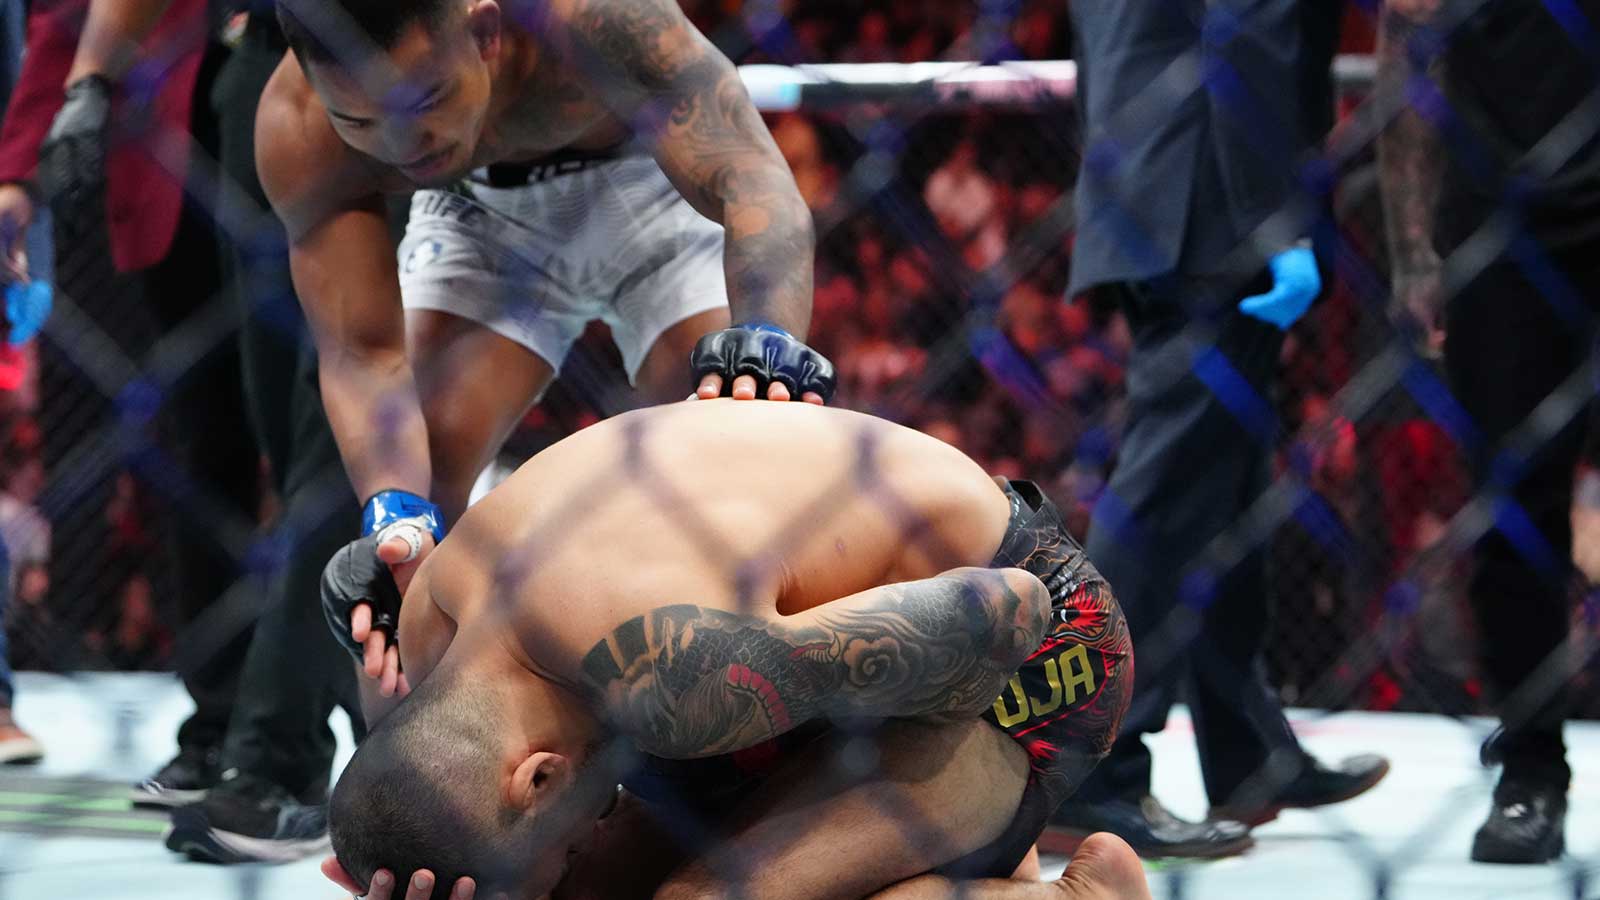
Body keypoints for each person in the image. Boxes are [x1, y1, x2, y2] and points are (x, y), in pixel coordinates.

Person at [318, 398, 1137, 899]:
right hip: (780, 664)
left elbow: (1006, 610)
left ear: (539, 777)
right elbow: (406, 778)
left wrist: (866, 812)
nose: (572, 858)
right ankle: (960, 844)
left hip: (1034, 639)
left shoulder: (680, 673)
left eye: (559, 852)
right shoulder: (429, 628)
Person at [257, 0, 835, 628]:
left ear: (484, 32)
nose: (401, 147)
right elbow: (362, 354)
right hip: (484, 213)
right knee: (418, 511)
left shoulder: (594, 15)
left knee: (734, 438)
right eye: (360, 122)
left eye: (424, 102)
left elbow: (750, 176)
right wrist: (393, 512)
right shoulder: (301, 126)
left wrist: (766, 336)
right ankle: (411, 721)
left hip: (652, 175)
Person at [25, 0, 372, 862]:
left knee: (338, 423)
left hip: (395, 65)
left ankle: (280, 755)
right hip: (258, 77)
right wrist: (87, 85)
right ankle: (248, 729)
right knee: (255, 431)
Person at [1045, 0, 1389, 857]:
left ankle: (1250, 751)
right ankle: (1096, 767)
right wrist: (1278, 218)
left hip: (1154, 186)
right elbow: (1252, 29)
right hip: (1213, 195)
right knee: (1167, 491)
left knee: (1223, 479)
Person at [0, 0, 261, 798]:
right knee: (204, 447)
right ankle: (220, 726)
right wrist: (16, 176)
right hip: (176, 159)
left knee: (307, 441)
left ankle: (286, 742)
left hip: (315, 136)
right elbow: (64, 21)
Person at [1377, 0, 1600, 864]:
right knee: (1516, 506)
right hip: (1504, 218)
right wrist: (1412, 250)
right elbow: (1407, 48)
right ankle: (1531, 773)